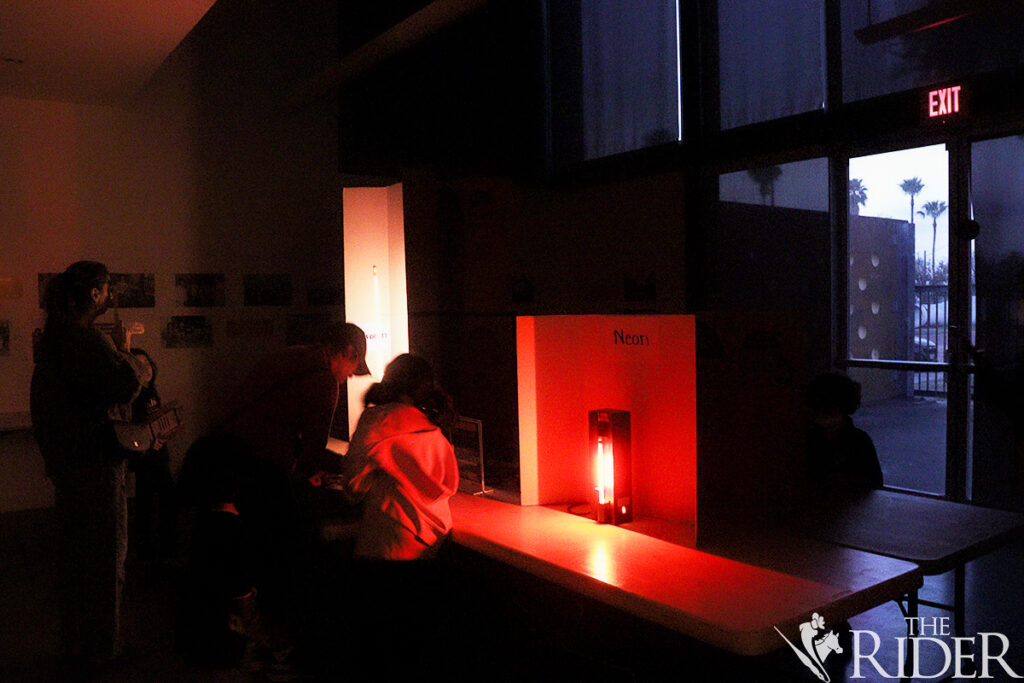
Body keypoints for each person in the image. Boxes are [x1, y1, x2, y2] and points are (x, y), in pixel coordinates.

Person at [30, 260, 152, 671]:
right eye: (106, 289)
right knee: (105, 560)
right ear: (95, 294)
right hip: (97, 467)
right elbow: (124, 386)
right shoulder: (86, 342)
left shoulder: (54, 341)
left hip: (67, 466)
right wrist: (131, 358)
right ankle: (104, 649)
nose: (109, 296)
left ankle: (75, 643)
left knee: (75, 561)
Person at [220, 321, 370, 654]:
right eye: (353, 368)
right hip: (260, 468)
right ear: (347, 353)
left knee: (247, 546)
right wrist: (351, 469)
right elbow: (313, 452)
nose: (348, 377)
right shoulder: (323, 380)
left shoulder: (292, 356)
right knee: (282, 546)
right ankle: (273, 634)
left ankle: (245, 621)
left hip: (229, 457)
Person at [334, 353, 459, 677]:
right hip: (431, 547)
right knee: (416, 647)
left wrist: (377, 480)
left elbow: (354, 485)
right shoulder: (435, 428)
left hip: (385, 544)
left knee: (378, 648)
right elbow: (446, 483)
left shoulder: (378, 421)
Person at [126, 347, 178, 563]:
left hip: (158, 455)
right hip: (145, 458)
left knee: (163, 500)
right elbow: (135, 427)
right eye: (139, 366)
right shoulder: (134, 395)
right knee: (147, 504)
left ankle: (162, 547)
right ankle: (148, 550)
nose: (145, 369)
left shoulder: (151, 391)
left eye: (147, 364)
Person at [805, 371, 884, 496]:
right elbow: (875, 483)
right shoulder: (860, 440)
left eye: (828, 412)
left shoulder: (808, 437)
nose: (823, 418)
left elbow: (874, 482)